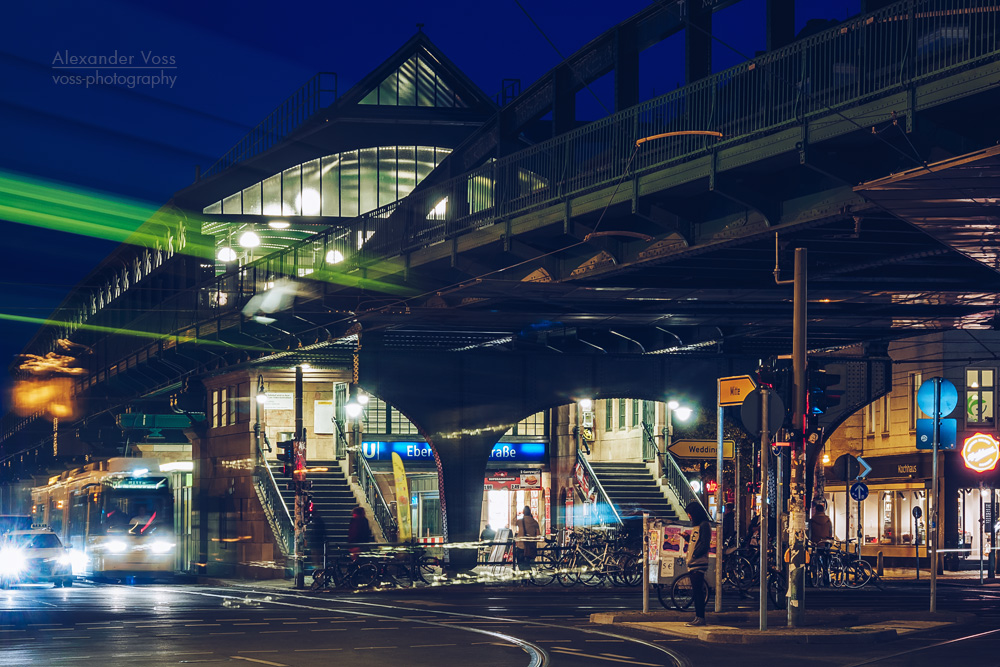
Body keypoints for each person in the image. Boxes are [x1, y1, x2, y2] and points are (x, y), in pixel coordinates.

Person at [684, 501, 712, 627]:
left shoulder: (704, 525)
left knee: (698, 592)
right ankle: (698, 617)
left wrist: (695, 555)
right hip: (694, 562)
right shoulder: (699, 525)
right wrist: (686, 538)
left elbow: (705, 544)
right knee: (696, 592)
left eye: (690, 513)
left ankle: (700, 618)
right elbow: (698, 542)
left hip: (698, 563)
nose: (689, 516)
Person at [515, 506, 540, 571]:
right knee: (528, 563)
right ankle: (529, 578)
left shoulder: (519, 522)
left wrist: (517, 514)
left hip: (521, 546)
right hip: (530, 547)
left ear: (523, 512)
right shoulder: (535, 522)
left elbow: (513, 521)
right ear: (530, 512)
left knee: (520, 564)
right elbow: (538, 535)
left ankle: (524, 579)